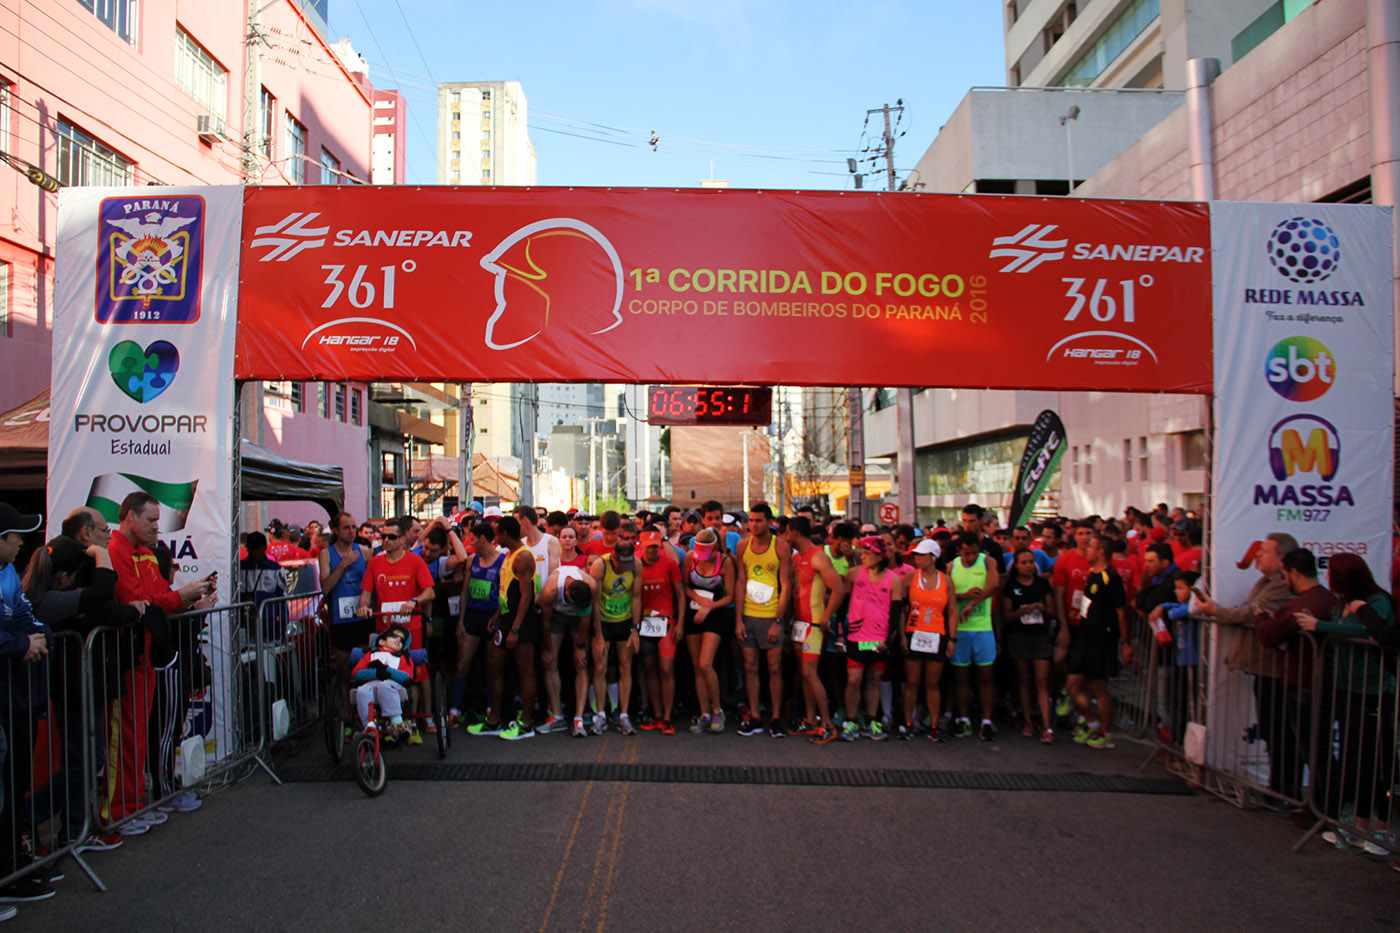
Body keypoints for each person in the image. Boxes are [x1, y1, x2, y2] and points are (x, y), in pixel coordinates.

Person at [105, 492, 213, 834]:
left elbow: (156, 598)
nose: (157, 527)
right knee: (125, 736)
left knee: (139, 735)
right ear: (129, 517)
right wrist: (179, 597)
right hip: (128, 657)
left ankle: (138, 802)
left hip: (148, 656)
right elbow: (138, 600)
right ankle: (122, 809)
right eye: (151, 520)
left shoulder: (146, 554)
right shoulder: (117, 551)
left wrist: (183, 597)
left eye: (157, 520)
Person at [1296, 553, 1395, 854]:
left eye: (1332, 575)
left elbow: (1374, 633)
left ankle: (1382, 830)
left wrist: (1322, 627)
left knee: (1376, 761)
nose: (1327, 579)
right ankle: (1359, 826)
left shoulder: (1377, 602)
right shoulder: (1343, 603)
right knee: (1355, 759)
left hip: (1374, 692)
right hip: (1348, 688)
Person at [1195, 532, 1298, 804]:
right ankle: (1279, 787)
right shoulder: (1265, 581)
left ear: (1281, 558)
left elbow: (1253, 613)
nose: (1258, 556)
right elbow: (1251, 610)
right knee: (1272, 727)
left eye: (1264, 552)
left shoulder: (1280, 586)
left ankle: (1285, 790)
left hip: (1276, 667)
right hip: (1262, 666)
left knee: (1280, 730)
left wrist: (1217, 611)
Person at [1255, 547, 1335, 805]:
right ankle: (1321, 805)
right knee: (1315, 749)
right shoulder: (1327, 599)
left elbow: (1269, 635)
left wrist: (1260, 619)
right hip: (1317, 682)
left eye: (1285, 575)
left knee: (1312, 750)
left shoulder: (1302, 603)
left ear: (1295, 573)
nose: (1284, 581)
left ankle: (1323, 807)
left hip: (1304, 683)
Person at [0, 505, 51, 904]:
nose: (22, 542)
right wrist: (20, 644)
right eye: (15, 535)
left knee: (15, 782)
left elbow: (22, 614)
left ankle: (15, 866)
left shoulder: (6, 575)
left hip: (15, 697)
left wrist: (35, 636)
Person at [356, 517, 435, 745]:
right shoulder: (375, 563)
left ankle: (423, 717)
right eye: (383, 536)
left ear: (402, 539)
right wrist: (363, 606)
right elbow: (366, 592)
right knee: (385, 672)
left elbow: (430, 592)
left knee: (418, 672)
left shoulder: (415, 562)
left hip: (411, 628)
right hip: (384, 630)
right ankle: (391, 721)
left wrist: (414, 601)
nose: (385, 541)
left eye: (391, 537)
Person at [469, 516, 540, 740]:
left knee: (525, 670)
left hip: (522, 621)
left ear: (506, 534)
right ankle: (495, 719)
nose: (495, 538)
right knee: (494, 667)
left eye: (497, 533)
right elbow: (506, 591)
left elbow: (526, 596)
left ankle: (527, 723)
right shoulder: (509, 555)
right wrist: (498, 615)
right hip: (507, 617)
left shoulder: (524, 556)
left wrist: (515, 629)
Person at [1057, 534, 1129, 749]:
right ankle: (1091, 722)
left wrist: (1125, 643)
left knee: (1099, 688)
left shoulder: (1111, 577)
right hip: (1084, 636)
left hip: (1102, 640)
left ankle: (1105, 733)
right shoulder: (1091, 574)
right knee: (1072, 684)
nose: (1086, 550)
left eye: (1090, 547)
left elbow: (1121, 614)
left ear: (1101, 552)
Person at [784, 516, 844, 744]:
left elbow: (837, 588)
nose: (784, 538)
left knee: (810, 673)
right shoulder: (797, 558)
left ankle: (827, 723)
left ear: (794, 533)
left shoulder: (818, 556)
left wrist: (827, 616)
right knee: (804, 674)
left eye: (786, 533)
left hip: (814, 625)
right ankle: (810, 719)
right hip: (799, 624)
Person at [735, 503, 791, 737]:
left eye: (758, 520)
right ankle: (756, 715)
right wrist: (738, 619)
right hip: (749, 613)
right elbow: (740, 582)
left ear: (769, 522)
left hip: (770, 615)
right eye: (751, 520)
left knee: (775, 668)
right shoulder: (742, 546)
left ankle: (776, 717)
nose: (753, 524)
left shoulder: (780, 547)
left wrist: (778, 621)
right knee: (750, 667)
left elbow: (786, 584)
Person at [839, 536, 904, 741]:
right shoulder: (854, 574)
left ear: (879, 556)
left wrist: (889, 639)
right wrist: (841, 633)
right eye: (863, 552)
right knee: (853, 680)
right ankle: (850, 721)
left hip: (879, 638)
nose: (863, 556)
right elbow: (843, 605)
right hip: (856, 635)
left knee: (874, 680)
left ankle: (870, 720)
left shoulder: (893, 579)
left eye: (867, 553)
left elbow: (895, 612)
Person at [900, 539, 960, 742]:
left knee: (932, 683)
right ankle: (908, 722)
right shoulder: (909, 578)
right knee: (912, 681)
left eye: (921, 555)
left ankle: (934, 724)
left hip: (937, 634)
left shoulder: (946, 580)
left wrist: (952, 638)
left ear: (933, 557)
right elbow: (900, 609)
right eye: (916, 555)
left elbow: (952, 611)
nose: (917, 559)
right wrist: (901, 635)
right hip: (914, 631)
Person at [514, 505, 563, 733]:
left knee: (549, 661)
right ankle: (536, 708)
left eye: (517, 520)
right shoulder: (520, 546)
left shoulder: (550, 542)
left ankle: (555, 711)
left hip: (548, 609)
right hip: (527, 610)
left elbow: (553, 574)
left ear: (525, 520)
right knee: (530, 664)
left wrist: (540, 599)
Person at [449, 522, 504, 727]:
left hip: (492, 617)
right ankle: (454, 708)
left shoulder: (503, 561)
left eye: (472, 539)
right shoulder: (472, 560)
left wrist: (497, 617)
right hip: (472, 616)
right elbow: (465, 591)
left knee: (492, 665)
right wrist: (461, 621)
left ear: (482, 539)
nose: (470, 543)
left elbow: (504, 593)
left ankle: (491, 707)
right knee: (462, 663)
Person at [949, 532, 1001, 740]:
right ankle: (964, 718)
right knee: (961, 678)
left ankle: (987, 720)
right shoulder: (952, 566)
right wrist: (964, 596)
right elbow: (946, 592)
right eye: (966, 553)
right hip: (960, 630)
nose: (970, 557)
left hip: (983, 627)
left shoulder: (988, 562)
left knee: (986, 677)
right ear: (959, 550)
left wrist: (973, 604)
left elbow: (994, 584)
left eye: (973, 553)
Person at [588, 534, 642, 735]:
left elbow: (636, 597)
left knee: (625, 666)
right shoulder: (600, 566)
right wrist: (599, 636)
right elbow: (594, 603)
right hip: (603, 620)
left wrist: (635, 630)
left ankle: (624, 715)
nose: (623, 569)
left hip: (624, 620)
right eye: (620, 564)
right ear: (614, 556)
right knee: (600, 666)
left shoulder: (636, 565)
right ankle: (600, 714)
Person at [684, 527, 734, 734]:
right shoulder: (690, 558)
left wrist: (709, 607)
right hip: (694, 612)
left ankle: (717, 709)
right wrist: (697, 600)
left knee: (706, 663)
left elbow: (730, 595)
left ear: (714, 548)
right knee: (697, 666)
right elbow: (685, 586)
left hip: (715, 614)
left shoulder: (725, 562)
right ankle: (704, 712)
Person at [1003, 547, 1055, 743]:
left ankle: (1047, 725)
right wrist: (1023, 611)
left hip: (1040, 636)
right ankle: (1027, 720)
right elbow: (1007, 616)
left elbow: (1052, 611)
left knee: (1041, 681)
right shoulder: (1010, 586)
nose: (1028, 566)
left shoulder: (1042, 584)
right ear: (1016, 565)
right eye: (1024, 562)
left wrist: (1043, 608)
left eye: (1031, 562)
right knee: (1024, 680)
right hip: (1019, 636)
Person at [540, 560, 597, 737]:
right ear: (566, 593)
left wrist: (580, 647)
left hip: (577, 621)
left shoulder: (591, 585)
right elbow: (546, 622)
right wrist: (548, 648)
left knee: (581, 663)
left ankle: (578, 718)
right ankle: (557, 715)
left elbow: (586, 619)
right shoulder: (551, 590)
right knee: (550, 662)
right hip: (556, 615)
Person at [636, 527, 685, 733]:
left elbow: (681, 595)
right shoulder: (636, 564)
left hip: (667, 622)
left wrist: (680, 623)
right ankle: (656, 714)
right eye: (648, 548)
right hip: (645, 623)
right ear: (642, 546)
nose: (652, 552)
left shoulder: (670, 563)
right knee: (649, 669)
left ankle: (666, 716)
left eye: (655, 547)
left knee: (666, 669)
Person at [318, 513, 374, 683]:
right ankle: (344, 708)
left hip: (363, 616)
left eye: (353, 527)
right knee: (344, 670)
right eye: (346, 528)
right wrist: (343, 564)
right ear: (335, 531)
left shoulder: (364, 552)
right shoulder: (326, 554)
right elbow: (326, 587)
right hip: (341, 619)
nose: (351, 531)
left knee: (366, 664)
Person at [351, 624, 415, 743]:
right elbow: (356, 673)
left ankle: (397, 723)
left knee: (384, 686)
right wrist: (375, 673)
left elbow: (407, 677)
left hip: (393, 684)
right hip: (372, 682)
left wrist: (388, 671)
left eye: (401, 640)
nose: (398, 640)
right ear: (381, 641)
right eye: (395, 636)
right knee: (362, 691)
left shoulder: (403, 658)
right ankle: (369, 726)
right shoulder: (370, 655)